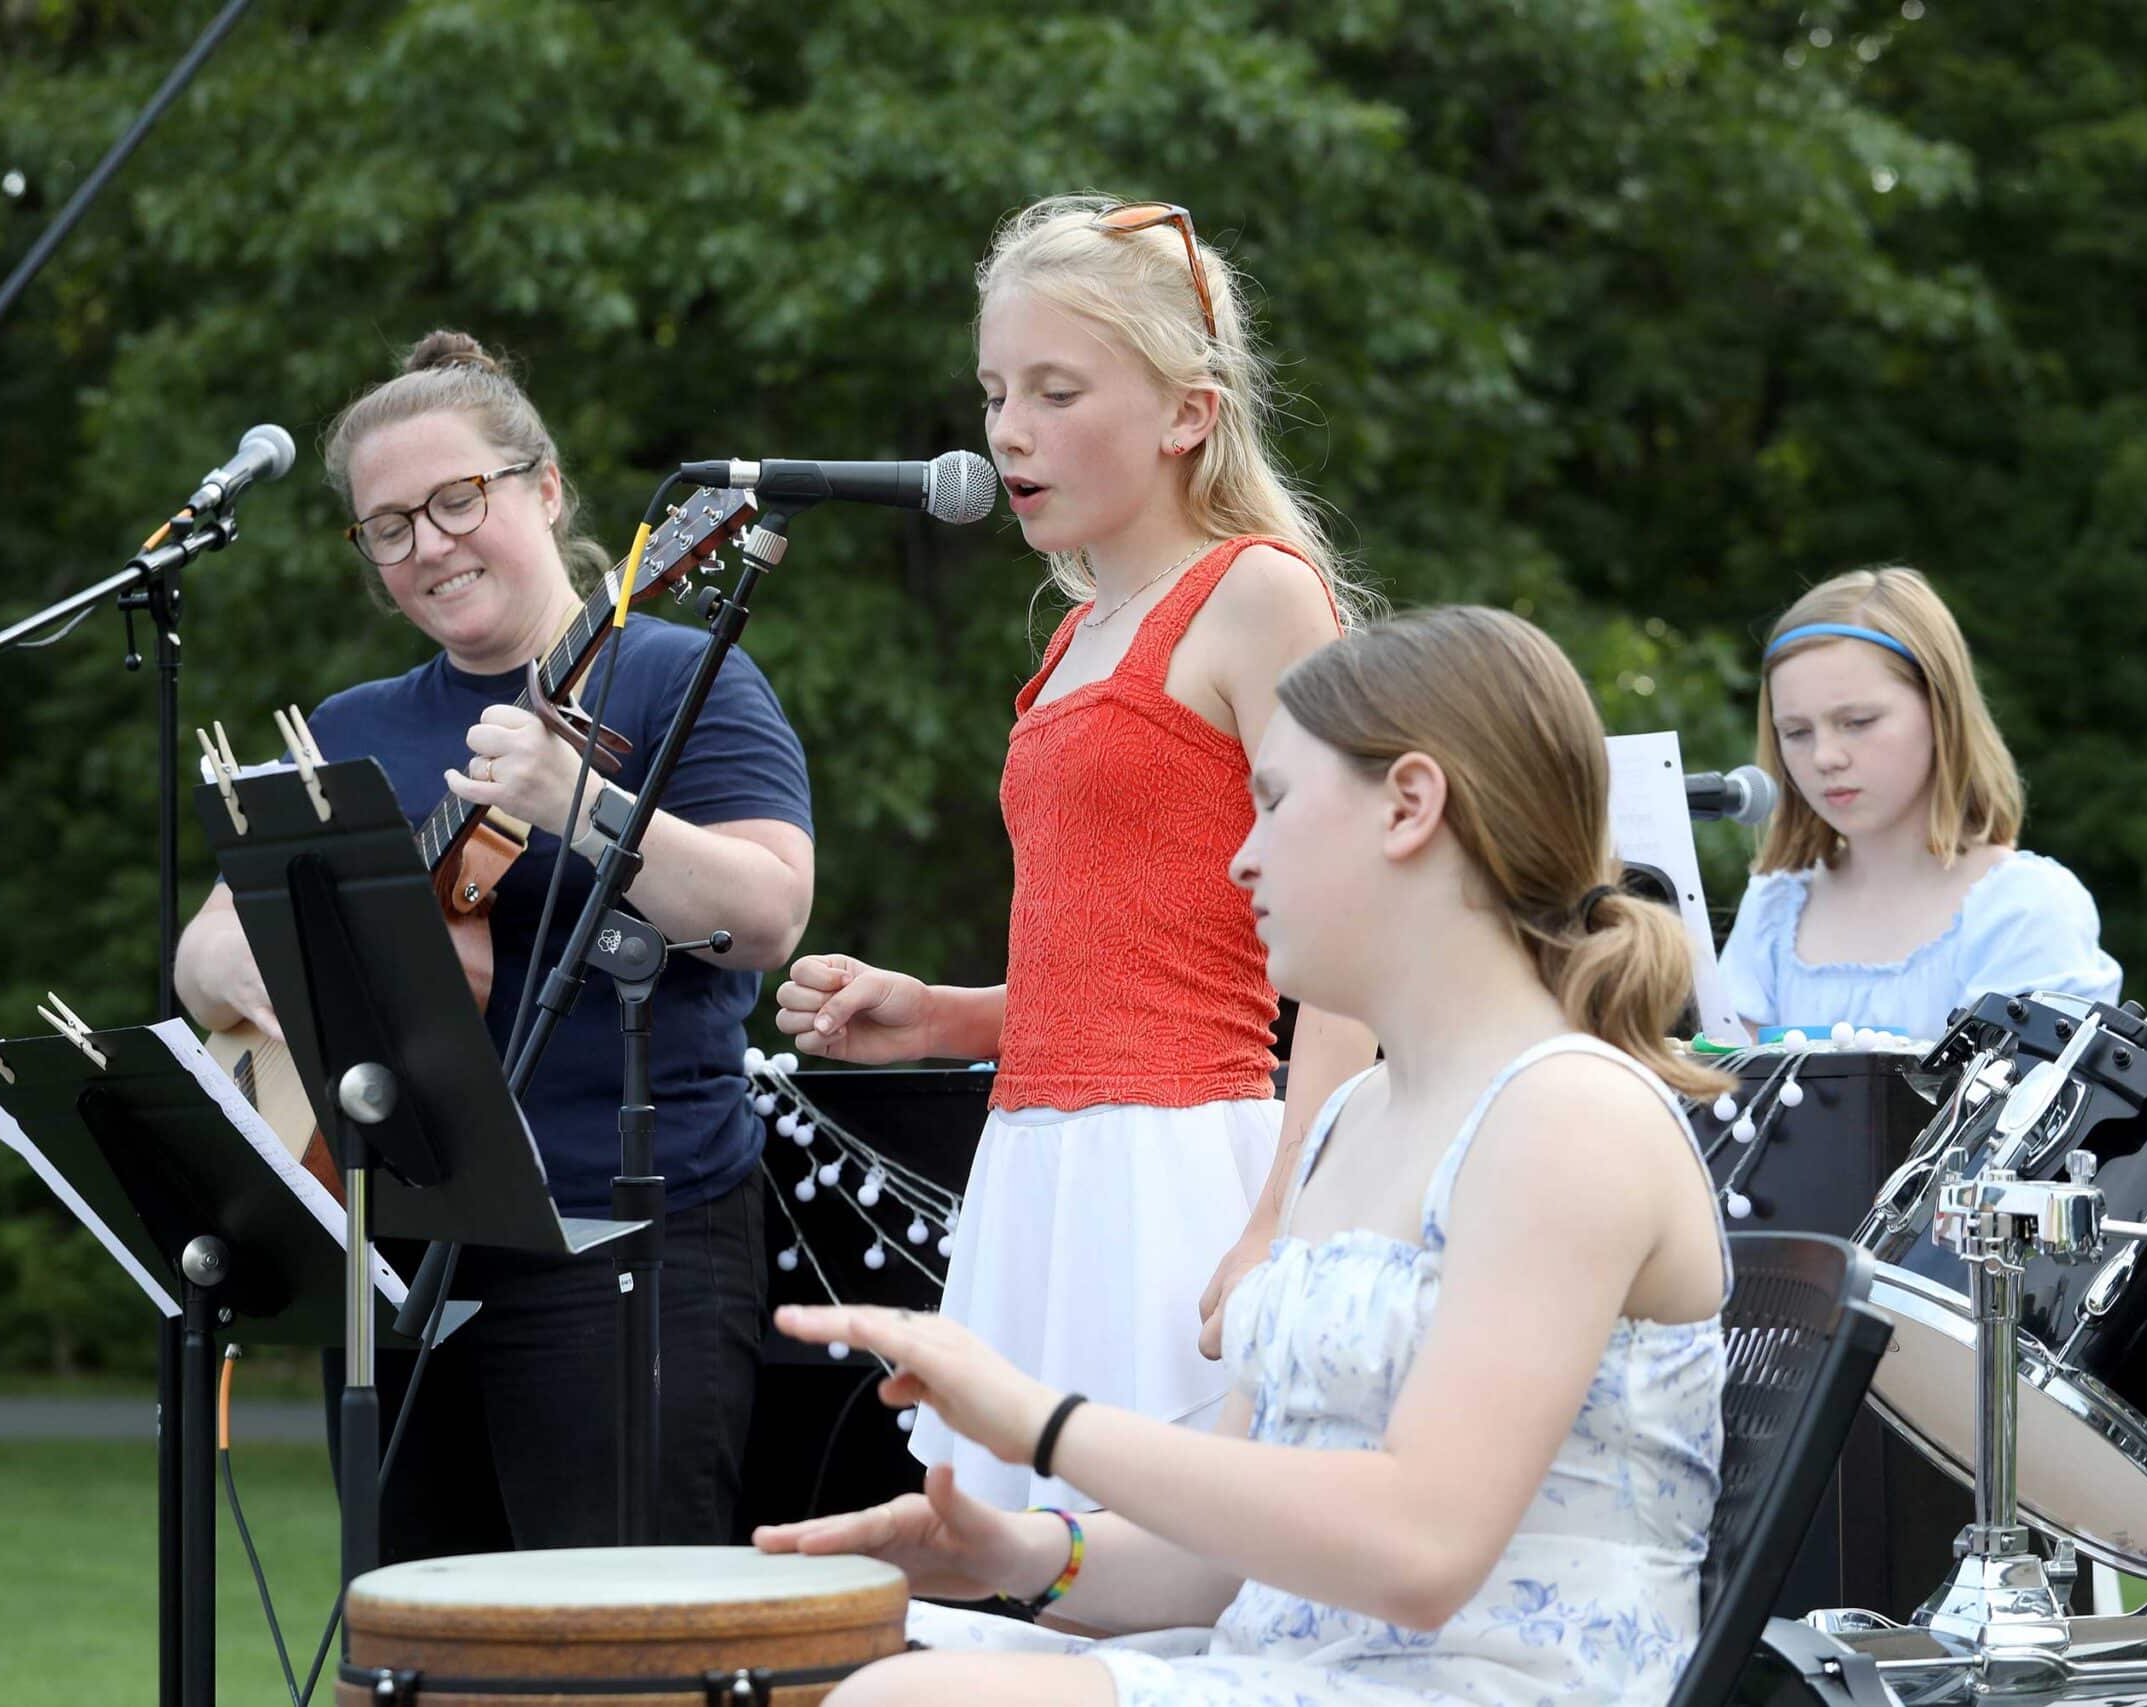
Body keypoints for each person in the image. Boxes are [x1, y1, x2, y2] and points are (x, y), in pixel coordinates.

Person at [758, 607, 1734, 1707]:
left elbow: (1420, 1552)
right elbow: (1229, 1568)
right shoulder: (1348, 1114)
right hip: (1287, 1665)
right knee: (803, 1652)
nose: (1241, 853)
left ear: (1410, 804)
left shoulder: (1568, 1116)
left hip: (1481, 1690)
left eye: (1270, 803)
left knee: (904, 1702)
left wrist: (1045, 1423)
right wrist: (1018, 1555)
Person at [773, 196, 1380, 1509]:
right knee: (1021, 1564)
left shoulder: (1257, 593)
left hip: (1178, 1172)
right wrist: (940, 1015)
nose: (1007, 430)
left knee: (1161, 1567)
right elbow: (1123, 960)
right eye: (995, 391)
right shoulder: (1071, 639)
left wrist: (1288, 1215)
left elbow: (1353, 954)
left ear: (1188, 413)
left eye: (1055, 390)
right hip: (1036, 1168)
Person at [171, 331, 814, 1557]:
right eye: (389, 526)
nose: (429, 545)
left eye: (457, 499)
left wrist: (583, 802)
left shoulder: (676, 675)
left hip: (623, 1245)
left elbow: (768, 917)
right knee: (413, 1641)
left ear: (547, 488)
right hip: (399, 1257)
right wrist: (247, 968)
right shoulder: (354, 727)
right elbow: (204, 948)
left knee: (611, 1653)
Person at [1716, 566, 2121, 1041]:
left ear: (1940, 711)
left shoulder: (2023, 910)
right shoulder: (1773, 909)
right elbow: (1723, 1098)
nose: (1825, 756)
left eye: (1858, 721)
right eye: (1797, 733)